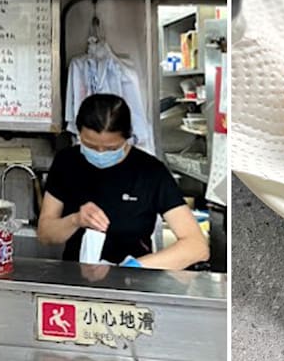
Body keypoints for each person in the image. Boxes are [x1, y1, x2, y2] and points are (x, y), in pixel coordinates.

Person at [37, 93, 209, 270]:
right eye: (90, 146)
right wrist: (75, 220)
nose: (100, 153)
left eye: (111, 148)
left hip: (133, 282)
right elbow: (45, 234)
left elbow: (196, 247)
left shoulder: (150, 171)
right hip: (77, 280)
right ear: (79, 133)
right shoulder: (67, 163)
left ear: (127, 138)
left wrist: (133, 266)